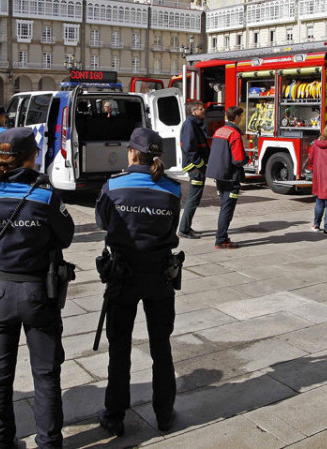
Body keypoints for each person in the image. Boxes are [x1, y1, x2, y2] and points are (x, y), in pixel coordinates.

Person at [0, 128, 74, 449]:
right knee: (45, 375)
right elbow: (66, 235)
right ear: (32, 157)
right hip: (38, 293)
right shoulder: (44, 195)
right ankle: (49, 443)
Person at [95, 128, 181, 437]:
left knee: (119, 347)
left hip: (122, 275)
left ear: (132, 153)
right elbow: (173, 224)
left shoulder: (114, 185)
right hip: (159, 275)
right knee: (161, 346)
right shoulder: (172, 189)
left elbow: (102, 222)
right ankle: (164, 413)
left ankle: (115, 415)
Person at [207, 106, 247, 249]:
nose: (241, 118)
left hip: (220, 175)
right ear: (236, 117)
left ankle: (221, 236)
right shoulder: (234, 134)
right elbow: (238, 160)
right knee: (227, 208)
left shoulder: (219, 131)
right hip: (231, 176)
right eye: (241, 116)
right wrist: (247, 158)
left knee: (224, 205)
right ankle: (221, 239)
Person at [177, 100, 210, 239]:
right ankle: (184, 229)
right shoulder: (190, 125)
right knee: (193, 198)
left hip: (197, 167)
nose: (204, 111)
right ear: (193, 111)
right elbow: (189, 148)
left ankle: (186, 227)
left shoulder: (194, 124)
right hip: (195, 168)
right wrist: (200, 164)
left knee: (194, 199)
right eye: (201, 109)